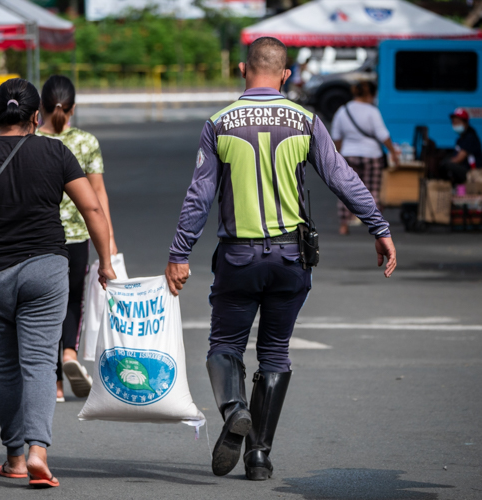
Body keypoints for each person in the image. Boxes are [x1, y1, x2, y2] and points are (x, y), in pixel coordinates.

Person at [164, 37, 396, 481]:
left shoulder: (219, 123)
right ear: (286, 75)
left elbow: (199, 196)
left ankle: (234, 409)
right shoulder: (306, 119)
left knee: (225, 346)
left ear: (241, 69)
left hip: (237, 258)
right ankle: (258, 458)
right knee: (274, 353)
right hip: (292, 257)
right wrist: (379, 228)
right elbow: (342, 178)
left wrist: (179, 252)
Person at [0, 78, 115, 489]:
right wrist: (104, 262)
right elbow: (92, 208)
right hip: (46, 272)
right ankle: (38, 451)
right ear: (36, 116)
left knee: (5, 368)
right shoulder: (56, 151)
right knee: (38, 364)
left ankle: (13, 457)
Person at [36, 75, 117, 402]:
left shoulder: (31, 141)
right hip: (79, 236)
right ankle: (69, 351)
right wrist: (108, 239)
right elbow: (97, 194)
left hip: (41, 237)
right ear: (72, 108)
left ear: (40, 106)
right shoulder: (86, 142)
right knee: (72, 301)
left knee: (43, 308)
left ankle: (54, 383)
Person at [331, 81, 399, 235]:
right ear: (370, 95)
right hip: (372, 155)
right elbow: (383, 135)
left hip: (349, 155)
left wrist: (337, 156)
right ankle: (375, 225)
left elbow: (336, 136)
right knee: (372, 190)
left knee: (346, 190)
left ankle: (344, 225)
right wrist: (393, 151)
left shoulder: (343, 110)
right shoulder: (372, 111)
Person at [439, 108, 482, 185]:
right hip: (465, 169)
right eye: (453, 122)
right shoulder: (461, 138)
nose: (455, 125)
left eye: (458, 122)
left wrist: (445, 162)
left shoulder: (470, 137)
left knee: (446, 164)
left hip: (472, 173)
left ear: (465, 123)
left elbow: (459, 159)